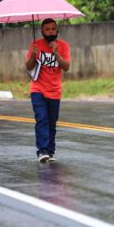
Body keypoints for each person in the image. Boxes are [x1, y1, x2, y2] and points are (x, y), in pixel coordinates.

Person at [25, 18, 70, 163]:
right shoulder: (35, 45)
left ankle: (50, 152)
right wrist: (33, 55)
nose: (50, 32)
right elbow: (28, 66)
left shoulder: (63, 46)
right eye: (47, 29)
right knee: (41, 119)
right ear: (42, 31)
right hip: (38, 89)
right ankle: (42, 151)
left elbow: (66, 67)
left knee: (51, 123)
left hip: (55, 91)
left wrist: (56, 53)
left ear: (57, 30)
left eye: (53, 29)